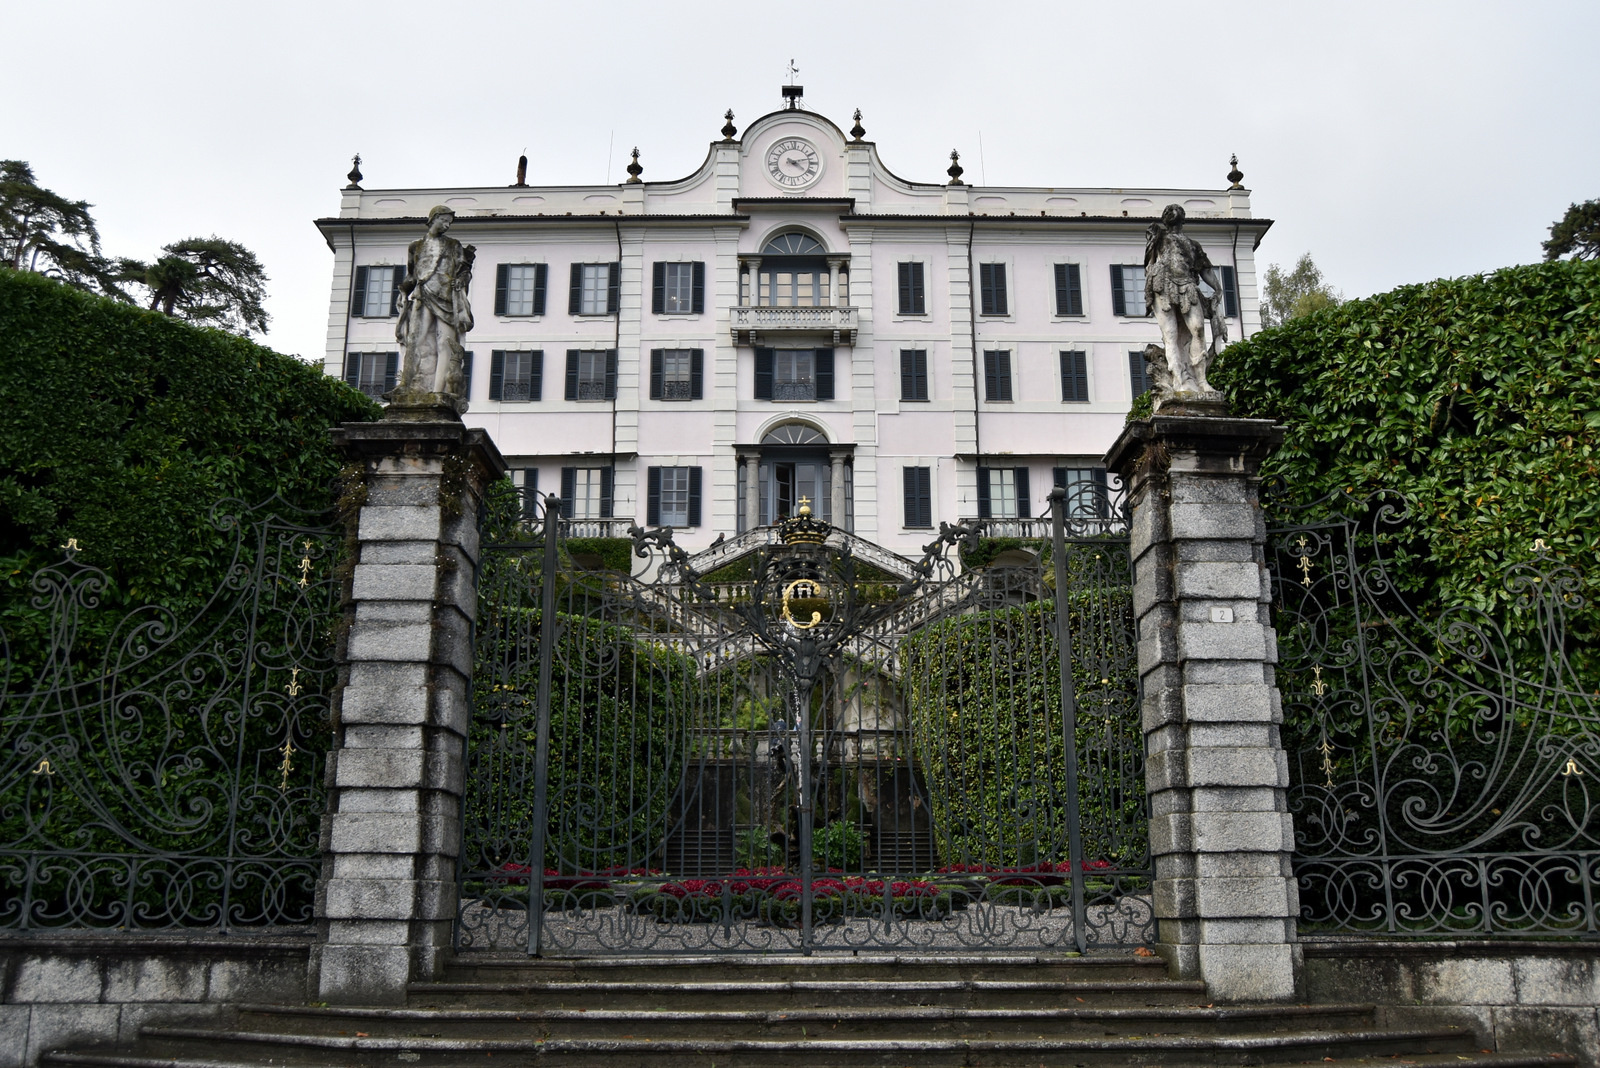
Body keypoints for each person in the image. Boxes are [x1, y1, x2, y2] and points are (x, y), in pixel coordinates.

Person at [1143, 203, 1227, 394]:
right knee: (1170, 334)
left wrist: (1218, 288)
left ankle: (1201, 380)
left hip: (1187, 285)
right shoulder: (1160, 238)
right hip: (1162, 285)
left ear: (1182, 220)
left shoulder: (1192, 245)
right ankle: (1178, 379)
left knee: (1198, 329)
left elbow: (1205, 269)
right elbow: (1149, 262)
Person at [394, 205, 475, 400]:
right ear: (434, 218)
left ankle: (439, 391)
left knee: (444, 343)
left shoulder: (454, 245)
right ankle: (407, 386)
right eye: (444, 220)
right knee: (416, 341)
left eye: (449, 222)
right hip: (422, 294)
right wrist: (403, 291)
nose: (447, 225)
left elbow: (464, 272)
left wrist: (462, 280)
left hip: (446, 295)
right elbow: (412, 276)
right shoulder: (416, 247)